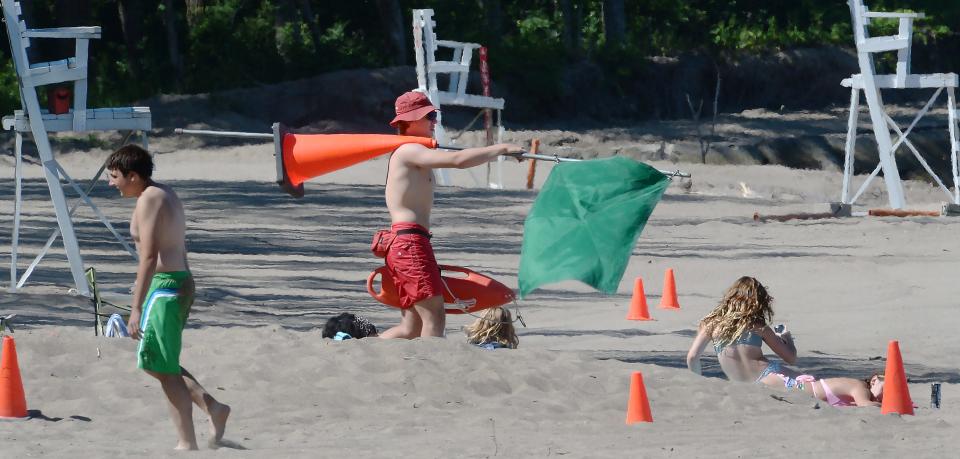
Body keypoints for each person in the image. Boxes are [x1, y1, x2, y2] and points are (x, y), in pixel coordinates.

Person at [107, 145, 230, 450]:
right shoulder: (163, 192)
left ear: (132, 176)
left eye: (114, 177)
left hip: (166, 287)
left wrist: (135, 308)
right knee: (161, 361)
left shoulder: (149, 199)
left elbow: (148, 256)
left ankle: (186, 442)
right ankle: (212, 406)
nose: (112, 184)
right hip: (180, 282)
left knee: (160, 366)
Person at [377, 91, 524, 339]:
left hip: (409, 242)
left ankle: (359, 349)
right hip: (408, 244)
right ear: (411, 121)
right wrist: (502, 148)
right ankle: (432, 369)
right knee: (435, 317)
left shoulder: (414, 151)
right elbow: (457, 160)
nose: (435, 121)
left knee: (410, 328)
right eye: (430, 116)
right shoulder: (408, 150)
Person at [686, 276, 805, 389]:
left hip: (740, 384)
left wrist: (698, 382)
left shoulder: (710, 324)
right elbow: (791, 358)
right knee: (812, 384)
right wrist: (785, 336)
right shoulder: (757, 326)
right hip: (768, 375)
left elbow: (692, 357)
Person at [792, 373, 885, 407]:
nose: (884, 396)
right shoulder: (861, 387)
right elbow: (864, 404)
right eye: (885, 389)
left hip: (802, 388)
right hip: (801, 388)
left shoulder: (858, 395)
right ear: (874, 380)